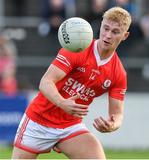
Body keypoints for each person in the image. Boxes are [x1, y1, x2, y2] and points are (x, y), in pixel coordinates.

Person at [12, 6, 131, 159]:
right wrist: (62, 103)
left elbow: (117, 114)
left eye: (115, 32)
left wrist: (112, 125)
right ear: (100, 25)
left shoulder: (118, 73)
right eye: (105, 28)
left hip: (70, 126)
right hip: (38, 122)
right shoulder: (76, 49)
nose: (107, 35)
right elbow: (45, 82)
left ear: (125, 35)